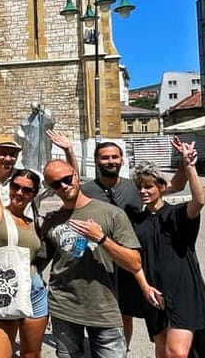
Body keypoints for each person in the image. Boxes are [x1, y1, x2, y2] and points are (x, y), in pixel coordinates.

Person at [78, 138, 186, 347]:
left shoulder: (135, 187)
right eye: (105, 157)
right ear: (96, 161)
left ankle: (122, 350)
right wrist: (67, 151)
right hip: (99, 260)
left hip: (131, 259)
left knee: (126, 312)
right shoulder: (87, 190)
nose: (111, 161)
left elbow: (177, 185)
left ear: (122, 159)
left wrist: (184, 160)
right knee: (104, 311)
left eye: (114, 157)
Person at [39, 159, 142, 358]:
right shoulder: (53, 220)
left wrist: (101, 238)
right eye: (55, 184)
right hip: (63, 307)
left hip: (104, 307)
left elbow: (135, 263)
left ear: (76, 176)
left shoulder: (112, 214)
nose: (63, 186)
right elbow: (38, 261)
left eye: (67, 179)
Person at [131, 139, 205, 358]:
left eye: (148, 186)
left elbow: (199, 201)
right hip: (154, 290)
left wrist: (189, 166)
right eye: (140, 187)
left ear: (161, 188)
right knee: (161, 344)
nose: (143, 191)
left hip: (183, 288)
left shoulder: (177, 214)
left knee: (177, 352)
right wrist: (145, 287)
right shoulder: (137, 222)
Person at [0, 110, 47, 358]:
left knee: (31, 354)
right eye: (16, 187)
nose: (19, 193)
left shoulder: (32, 221)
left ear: (33, 194)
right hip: (3, 289)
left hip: (35, 289)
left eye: (27, 190)